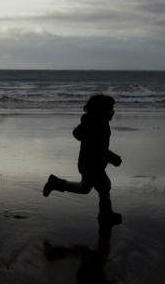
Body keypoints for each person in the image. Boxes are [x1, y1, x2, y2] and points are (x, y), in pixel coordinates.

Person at [43, 94, 124, 224]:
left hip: (90, 163)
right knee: (100, 186)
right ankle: (105, 215)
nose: (113, 112)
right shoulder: (97, 125)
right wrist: (114, 158)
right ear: (101, 110)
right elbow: (98, 149)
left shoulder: (92, 122)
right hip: (91, 164)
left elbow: (77, 134)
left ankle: (56, 183)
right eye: (110, 109)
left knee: (92, 188)